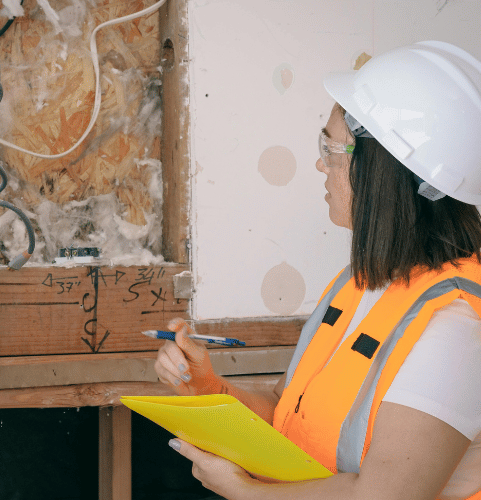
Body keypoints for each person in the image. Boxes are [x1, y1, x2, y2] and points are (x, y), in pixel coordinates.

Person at [154, 40, 481, 500]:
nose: (319, 163)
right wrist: (207, 385)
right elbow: (288, 414)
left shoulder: (456, 329)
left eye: (330, 148)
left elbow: (385, 494)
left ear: (380, 169)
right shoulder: (358, 284)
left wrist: (246, 494)